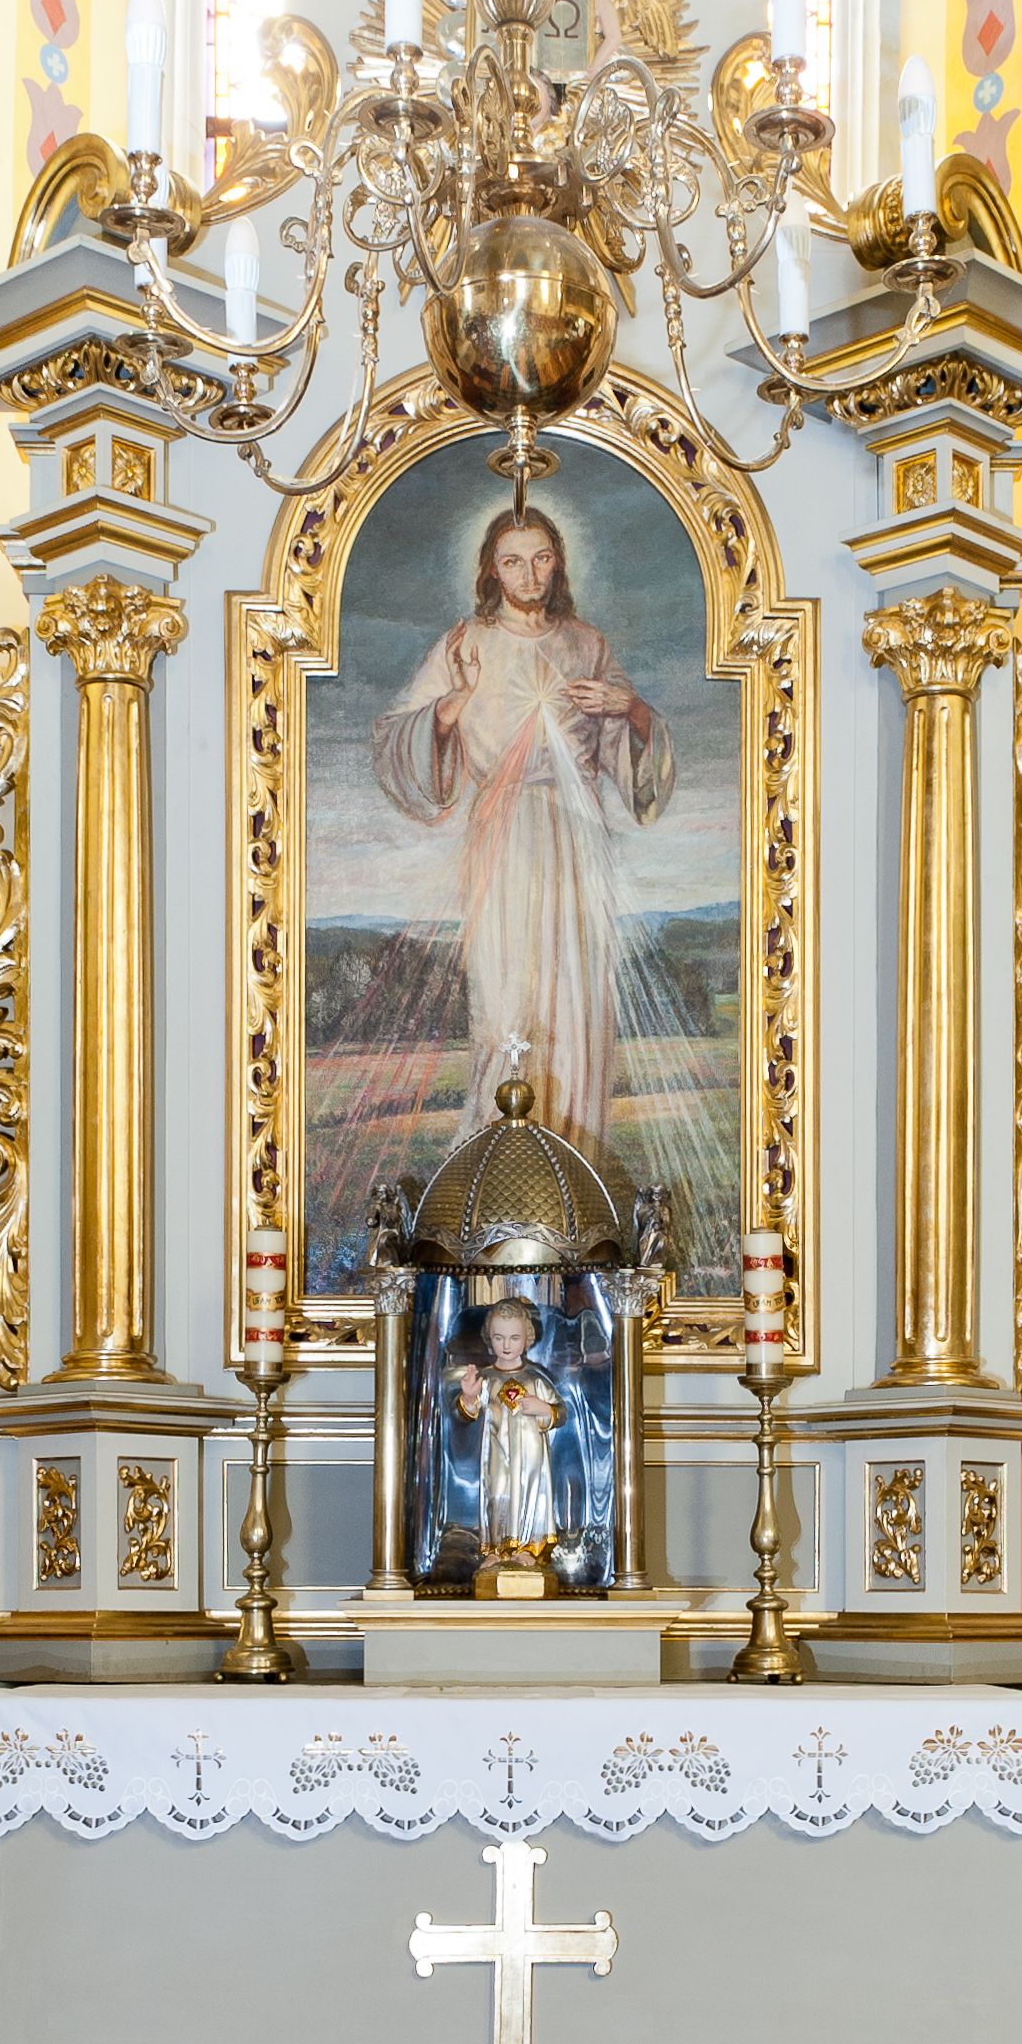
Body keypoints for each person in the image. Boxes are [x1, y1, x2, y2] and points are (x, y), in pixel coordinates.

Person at [371, 507, 674, 1154]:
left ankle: (575, 1159)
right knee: (507, 993)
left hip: (578, 838)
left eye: (541, 558)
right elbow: (394, 739)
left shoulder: (586, 645)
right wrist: (449, 709)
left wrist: (633, 709)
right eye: (513, 561)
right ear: (491, 569)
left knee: (578, 996)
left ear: (558, 561)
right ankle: (500, 1160)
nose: (529, 574)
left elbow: (633, 767)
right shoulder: (465, 645)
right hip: (504, 837)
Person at [454, 1297, 563, 1563]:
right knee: (497, 1493)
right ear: (489, 1338)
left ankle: (527, 1548)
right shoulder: (486, 1379)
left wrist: (544, 1409)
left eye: (514, 1338)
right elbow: (468, 1414)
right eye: (499, 1338)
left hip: (530, 1456)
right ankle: (496, 1549)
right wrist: (468, 1397)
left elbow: (560, 1413)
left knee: (529, 1494)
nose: (506, 1345)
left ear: (527, 1339)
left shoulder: (535, 1379)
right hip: (497, 1452)